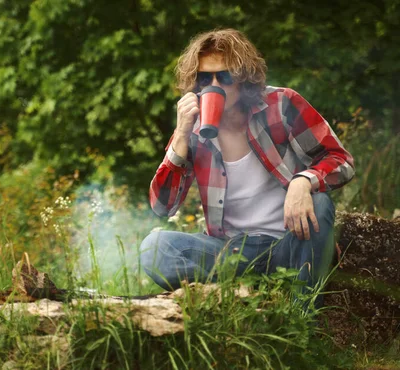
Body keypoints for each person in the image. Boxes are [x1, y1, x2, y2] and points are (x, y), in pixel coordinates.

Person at [140, 29, 355, 306]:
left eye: (225, 76)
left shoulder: (281, 104)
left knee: (321, 203)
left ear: (244, 79)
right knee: (154, 248)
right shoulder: (191, 129)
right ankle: (239, 291)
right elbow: (162, 207)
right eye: (205, 78)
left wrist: (304, 181)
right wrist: (181, 136)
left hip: (289, 244)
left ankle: (303, 315)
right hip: (231, 253)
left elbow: (340, 158)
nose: (214, 85)